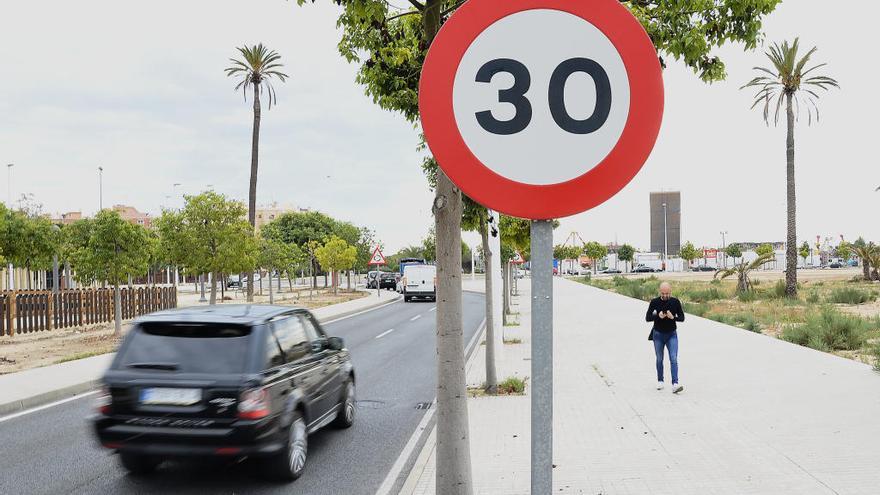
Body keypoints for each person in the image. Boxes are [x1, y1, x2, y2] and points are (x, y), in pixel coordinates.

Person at [645, 282, 685, 393]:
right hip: (658, 335)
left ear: (670, 292)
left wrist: (673, 317)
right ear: (660, 292)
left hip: (672, 334)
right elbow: (647, 318)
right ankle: (660, 381)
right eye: (663, 294)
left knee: (673, 358)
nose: (665, 296)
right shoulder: (654, 302)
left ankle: (675, 384)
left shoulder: (675, 302)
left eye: (667, 293)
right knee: (659, 359)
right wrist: (657, 316)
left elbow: (682, 318)